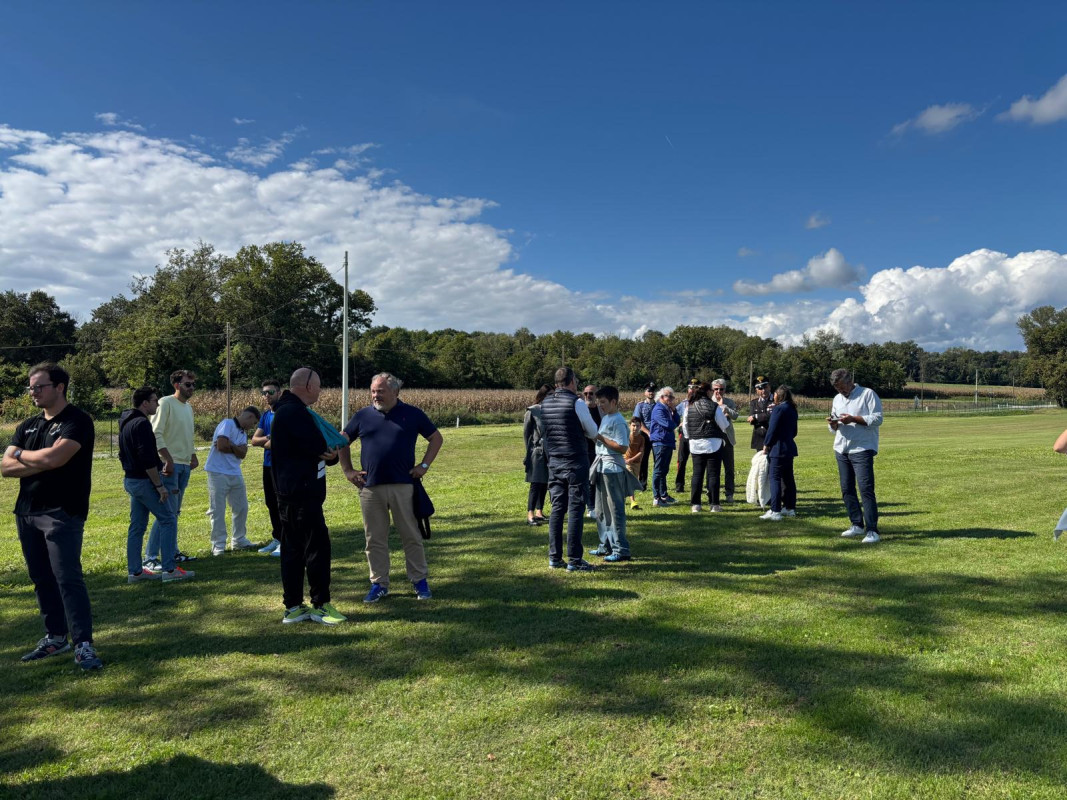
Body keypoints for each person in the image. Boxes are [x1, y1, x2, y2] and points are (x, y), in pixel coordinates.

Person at [1, 363, 102, 670]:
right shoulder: (28, 425)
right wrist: (36, 460)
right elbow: (5, 468)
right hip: (27, 510)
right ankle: (55, 637)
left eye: (39, 387)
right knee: (41, 578)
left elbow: (56, 458)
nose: (33, 392)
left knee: (67, 578)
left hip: (62, 511)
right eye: (31, 387)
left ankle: (83, 644)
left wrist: (22, 456)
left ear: (59, 387)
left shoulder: (77, 421)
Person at [340, 372, 444, 602]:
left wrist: (424, 465)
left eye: (380, 391)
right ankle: (379, 584)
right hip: (370, 488)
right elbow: (341, 441)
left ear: (395, 392)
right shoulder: (363, 415)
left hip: (403, 485)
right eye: (373, 391)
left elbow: (436, 438)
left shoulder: (412, 414)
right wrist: (348, 471)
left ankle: (419, 580)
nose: (375, 395)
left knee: (411, 535)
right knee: (375, 538)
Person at [270, 367, 345, 625]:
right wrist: (331, 451)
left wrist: (331, 455)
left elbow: (323, 453)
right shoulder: (294, 412)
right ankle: (320, 605)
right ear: (309, 386)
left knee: (292, 549)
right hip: (301, 495)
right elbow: (321, 447)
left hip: (291, 493)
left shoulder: (286, 410)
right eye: (320, 386)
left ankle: (293, 606)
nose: (321, 391)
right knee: (316, 549)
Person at [119, 386, 194, 584]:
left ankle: (135, 572)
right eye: (154, 401)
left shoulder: (126, 422)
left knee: (137, 526)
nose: (157, 404)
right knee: (168, 519)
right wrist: (159, 486)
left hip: (131, 479)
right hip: (144, 481)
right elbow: (147, 458)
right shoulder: (142, 424)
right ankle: (169, 570)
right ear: (145, 403)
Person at [540, 367, 599, 571]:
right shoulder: (577, 403)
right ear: (572, 381)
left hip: (554, 461)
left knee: (557, 509)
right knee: (575, 509)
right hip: (575, 460)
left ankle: (554, 557)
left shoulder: (544, 403)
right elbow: (592, 431)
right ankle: (574, 558)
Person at [143, 369, 198, 570]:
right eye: (187, 384)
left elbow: (187, 435)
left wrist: (192, 454)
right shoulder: (165, 403)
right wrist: (167, 459)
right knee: (166, 513)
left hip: (184, 464)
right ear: (176, 385)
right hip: (170, 466)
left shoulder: (188, 408)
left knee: (175, 512)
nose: (191, 388)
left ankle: (171, 551)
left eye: (193, 385)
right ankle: (150, 557)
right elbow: (156, 433)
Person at [828, 368, 883, 544]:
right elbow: (833, 427)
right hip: (841, 448)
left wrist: (854, 419)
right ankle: (856, 524)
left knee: (865, 489)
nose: (841, 391)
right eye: (837, 388)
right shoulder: (837, 399)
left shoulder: (867, 394)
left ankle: (872, 530)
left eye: (842, 386)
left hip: (862, 448)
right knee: (847, 489)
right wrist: (833, 424)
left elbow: (877, 418)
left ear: (850, 380)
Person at [588, 386, 640, 562]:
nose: (600, 405)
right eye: (598, 402)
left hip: (612, 469)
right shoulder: (607, 417)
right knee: (601, 510)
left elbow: (623, 447)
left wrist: (600, 438)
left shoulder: (617, 420)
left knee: (615, 509)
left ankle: (621, 549)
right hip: (602, 467)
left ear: (613, 402)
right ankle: (605, 545)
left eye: (603, 402)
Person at [205, 406, 261, 556]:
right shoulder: (227, 424)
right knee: (217, 509)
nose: (252, 426)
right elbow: (221, 446)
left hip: (235, 473)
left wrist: (231, 445)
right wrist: (233, 448)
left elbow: (242, 454)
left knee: (241, 507)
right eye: (253, 422)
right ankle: (218, 544)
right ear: (249, 417)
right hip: (217, 472)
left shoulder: (242, 433)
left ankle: (238, 539)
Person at [684, 382, 732, 513]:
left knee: (697, 475)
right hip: (713, 444)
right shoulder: (714, 406)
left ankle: (696, 504)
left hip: (695, 444)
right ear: (708, 392)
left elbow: (685, 426)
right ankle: (714, 504)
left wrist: (691, 437)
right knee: (713, 475)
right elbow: (724, 425)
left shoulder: (690, 407)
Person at [251, 377, 283, 556]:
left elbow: (279, 441)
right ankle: (277, 537)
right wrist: (269, 439)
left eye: (270, 392)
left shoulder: (284, 413)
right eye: (264, 393)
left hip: (281, 465)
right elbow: (255, 440)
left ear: (279, 392)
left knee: (281, 503)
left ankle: (286, 540)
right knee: (271, 503)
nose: (266, 396)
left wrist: (270, 440)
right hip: (267, 464)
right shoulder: (265, 415)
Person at [760, 385, 798, 522]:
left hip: (777, 449)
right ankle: (789, 508)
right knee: (788, 478)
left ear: (779, 395)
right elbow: (794, 432)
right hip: (789, 447)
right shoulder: (792, 409)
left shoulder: (778, 409)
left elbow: (772, 429)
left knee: (774, 478)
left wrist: (766, 444)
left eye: (775, 393)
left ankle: (775, 510)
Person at [523, 385, 551, 526]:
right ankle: (530, 514)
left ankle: (539, 511)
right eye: (549, 394)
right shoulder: (533, 411)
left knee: (545, 483)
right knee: (535, 483)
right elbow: (526, 434)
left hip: (549, 451)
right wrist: (527, 453)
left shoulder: (552, 411)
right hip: (537, 451)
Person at [745, 377, 774, 509]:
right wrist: (761, 417)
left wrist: (757, 417)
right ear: (756, 390)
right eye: (760, 388)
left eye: (765, 387)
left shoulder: (775, 401)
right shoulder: (754, 403)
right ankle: (761, 495)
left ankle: (772, 496)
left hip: (772, 439)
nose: (763, 390)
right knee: (760, 469)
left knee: (772, 470)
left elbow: (771, 417)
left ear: (769, 387)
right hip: (759, 439)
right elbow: (750, 419)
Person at [649, 386, 680, 507]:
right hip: (660, 442)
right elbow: (669, 425)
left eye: (672, 397)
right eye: (669, 396)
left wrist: (674, 411)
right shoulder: (658, 409)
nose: (672, 399)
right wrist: (674, 421)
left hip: (667, 442)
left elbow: (676, 421)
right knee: (658, 470)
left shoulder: (667, 409)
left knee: (664, 470)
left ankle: (664, 495)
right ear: (662, 397)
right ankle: (656, 498)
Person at [711, 379, 739, 502]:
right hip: (713, 437)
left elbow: (736, 415)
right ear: (712, 390)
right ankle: (711, 493)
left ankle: (729, 494)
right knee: (712, 467)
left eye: (721, 389)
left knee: (729, 467)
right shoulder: (708, 401)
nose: (718, 391)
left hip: (727, 437)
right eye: (716, 389)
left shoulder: (729, 402)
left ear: (725, 390)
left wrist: (725, 407)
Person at [673, 380, 698, 496]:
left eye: (695, 388)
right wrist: (678, 424)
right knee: (682, 460)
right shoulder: (683, 404)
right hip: (684, 435)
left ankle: (697, 484)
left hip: (697, 435)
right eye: (690, 388)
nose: (692, 390)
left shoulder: (700, 403)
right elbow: (673, 414)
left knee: (697, 461)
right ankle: (679, 485)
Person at [631, 383, 656, 489]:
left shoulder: (658, 405)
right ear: (645, 393)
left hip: (657, 436)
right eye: (649, 390)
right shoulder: (640, 405)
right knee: (643, 460)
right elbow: (637, 421)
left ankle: (657, 484)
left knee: (657, 460)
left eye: (653, 390)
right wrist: (648, 433)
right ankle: (642, 484)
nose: (651, 392)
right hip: (644, 436)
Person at [582, 384, 602, 517]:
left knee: (599, 479)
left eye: (591, 393)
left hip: (600, 450)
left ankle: (598, 505)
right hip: (585, 449)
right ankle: (590, 507)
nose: (588, 396)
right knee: (589, 479)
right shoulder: (581, 410)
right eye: (586, 393)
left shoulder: (602, 411)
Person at [623, 416, 646, 509]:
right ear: (629, 426)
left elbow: (641, 452)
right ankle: (633, 501)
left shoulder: (641, 438)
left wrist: (632, 460)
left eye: (637, 426)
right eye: (633, 425)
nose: (635, 428)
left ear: (640, 426)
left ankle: (622, 498)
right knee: (630, 481)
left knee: (633, 480)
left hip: (636, 463)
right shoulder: (626, 436)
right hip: (626, 462)